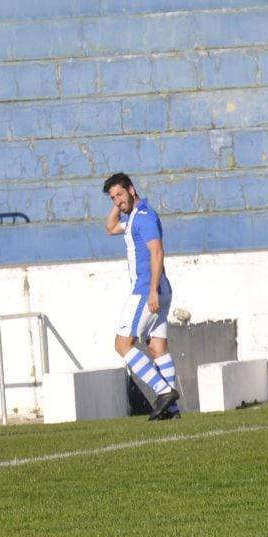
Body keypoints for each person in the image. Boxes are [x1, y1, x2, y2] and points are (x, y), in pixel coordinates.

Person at [103, 172, 181, 421]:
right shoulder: (135, 217)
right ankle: (172, 411)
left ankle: (163, 392)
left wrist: (151, 291)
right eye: (113, 197)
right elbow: (110, 227)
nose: (117, 201)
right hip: (160, 288)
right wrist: (119, 205)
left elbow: (157, 253)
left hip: (148, 288)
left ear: (132, 190)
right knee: (157, 346)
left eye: (120, 194)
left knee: (122, 344)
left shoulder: (144, 217)